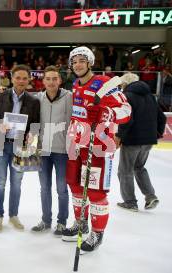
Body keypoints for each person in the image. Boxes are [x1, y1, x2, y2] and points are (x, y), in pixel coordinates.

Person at [63, 46, 131, 253]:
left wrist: (106, 112)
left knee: (95, 192)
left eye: (82, 60)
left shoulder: (103, 83)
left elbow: (126, 110)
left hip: (98, 147)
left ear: (90, 63)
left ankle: (97, 233)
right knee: (75, 186)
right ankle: (81, 223)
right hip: (76, 145)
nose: (78, 65)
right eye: (74, 62)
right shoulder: (76, 84)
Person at [0, 65, 40, 233]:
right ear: (12, 78)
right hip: (1, 143)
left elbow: (36, 124)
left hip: (19, 146)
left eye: (24, 78)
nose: (21, 81)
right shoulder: (0, 95)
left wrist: (32, 133)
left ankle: (13, 215)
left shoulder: (33, 101)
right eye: (18, 78)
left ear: (29, 79)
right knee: (0, 183)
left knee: (16, 183)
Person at [115, 73, 166, 212]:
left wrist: (119, 136)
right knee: (139, 167)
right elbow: (162, 118)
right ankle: (150, 196)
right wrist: (156, 134)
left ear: (125, 84)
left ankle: (130, 202)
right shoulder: (150, 97)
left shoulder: (126, 96)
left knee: (125, 170)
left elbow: (126, 120)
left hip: (132, 140)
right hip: (148, 140)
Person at [31, 66, 72, 236]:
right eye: (48, 79)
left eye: (54, 79)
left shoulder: (69, 97)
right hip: (43, 151)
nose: (51, 82)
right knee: (44, 188)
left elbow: (72, 122)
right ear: (43, 81)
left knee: (62, 188)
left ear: (60, 81)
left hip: (62, 151)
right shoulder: (38, 98)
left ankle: (62, 222)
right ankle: (46, 220)